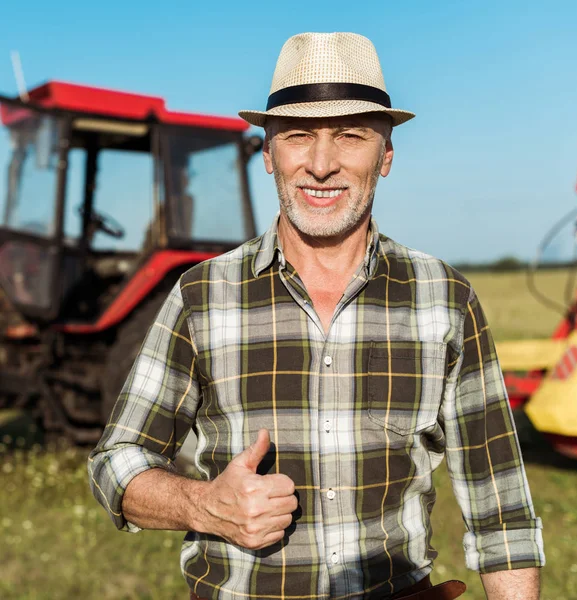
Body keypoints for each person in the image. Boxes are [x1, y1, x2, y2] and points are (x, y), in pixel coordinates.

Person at [88, 32, 545, 600]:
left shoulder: (444, 298)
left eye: (350, 136)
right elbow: (115, 462)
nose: (321, 164)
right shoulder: (200, 295)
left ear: (386, 156)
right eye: (298, 136)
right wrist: (204, 504)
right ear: (267, 154)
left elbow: (501, 512)